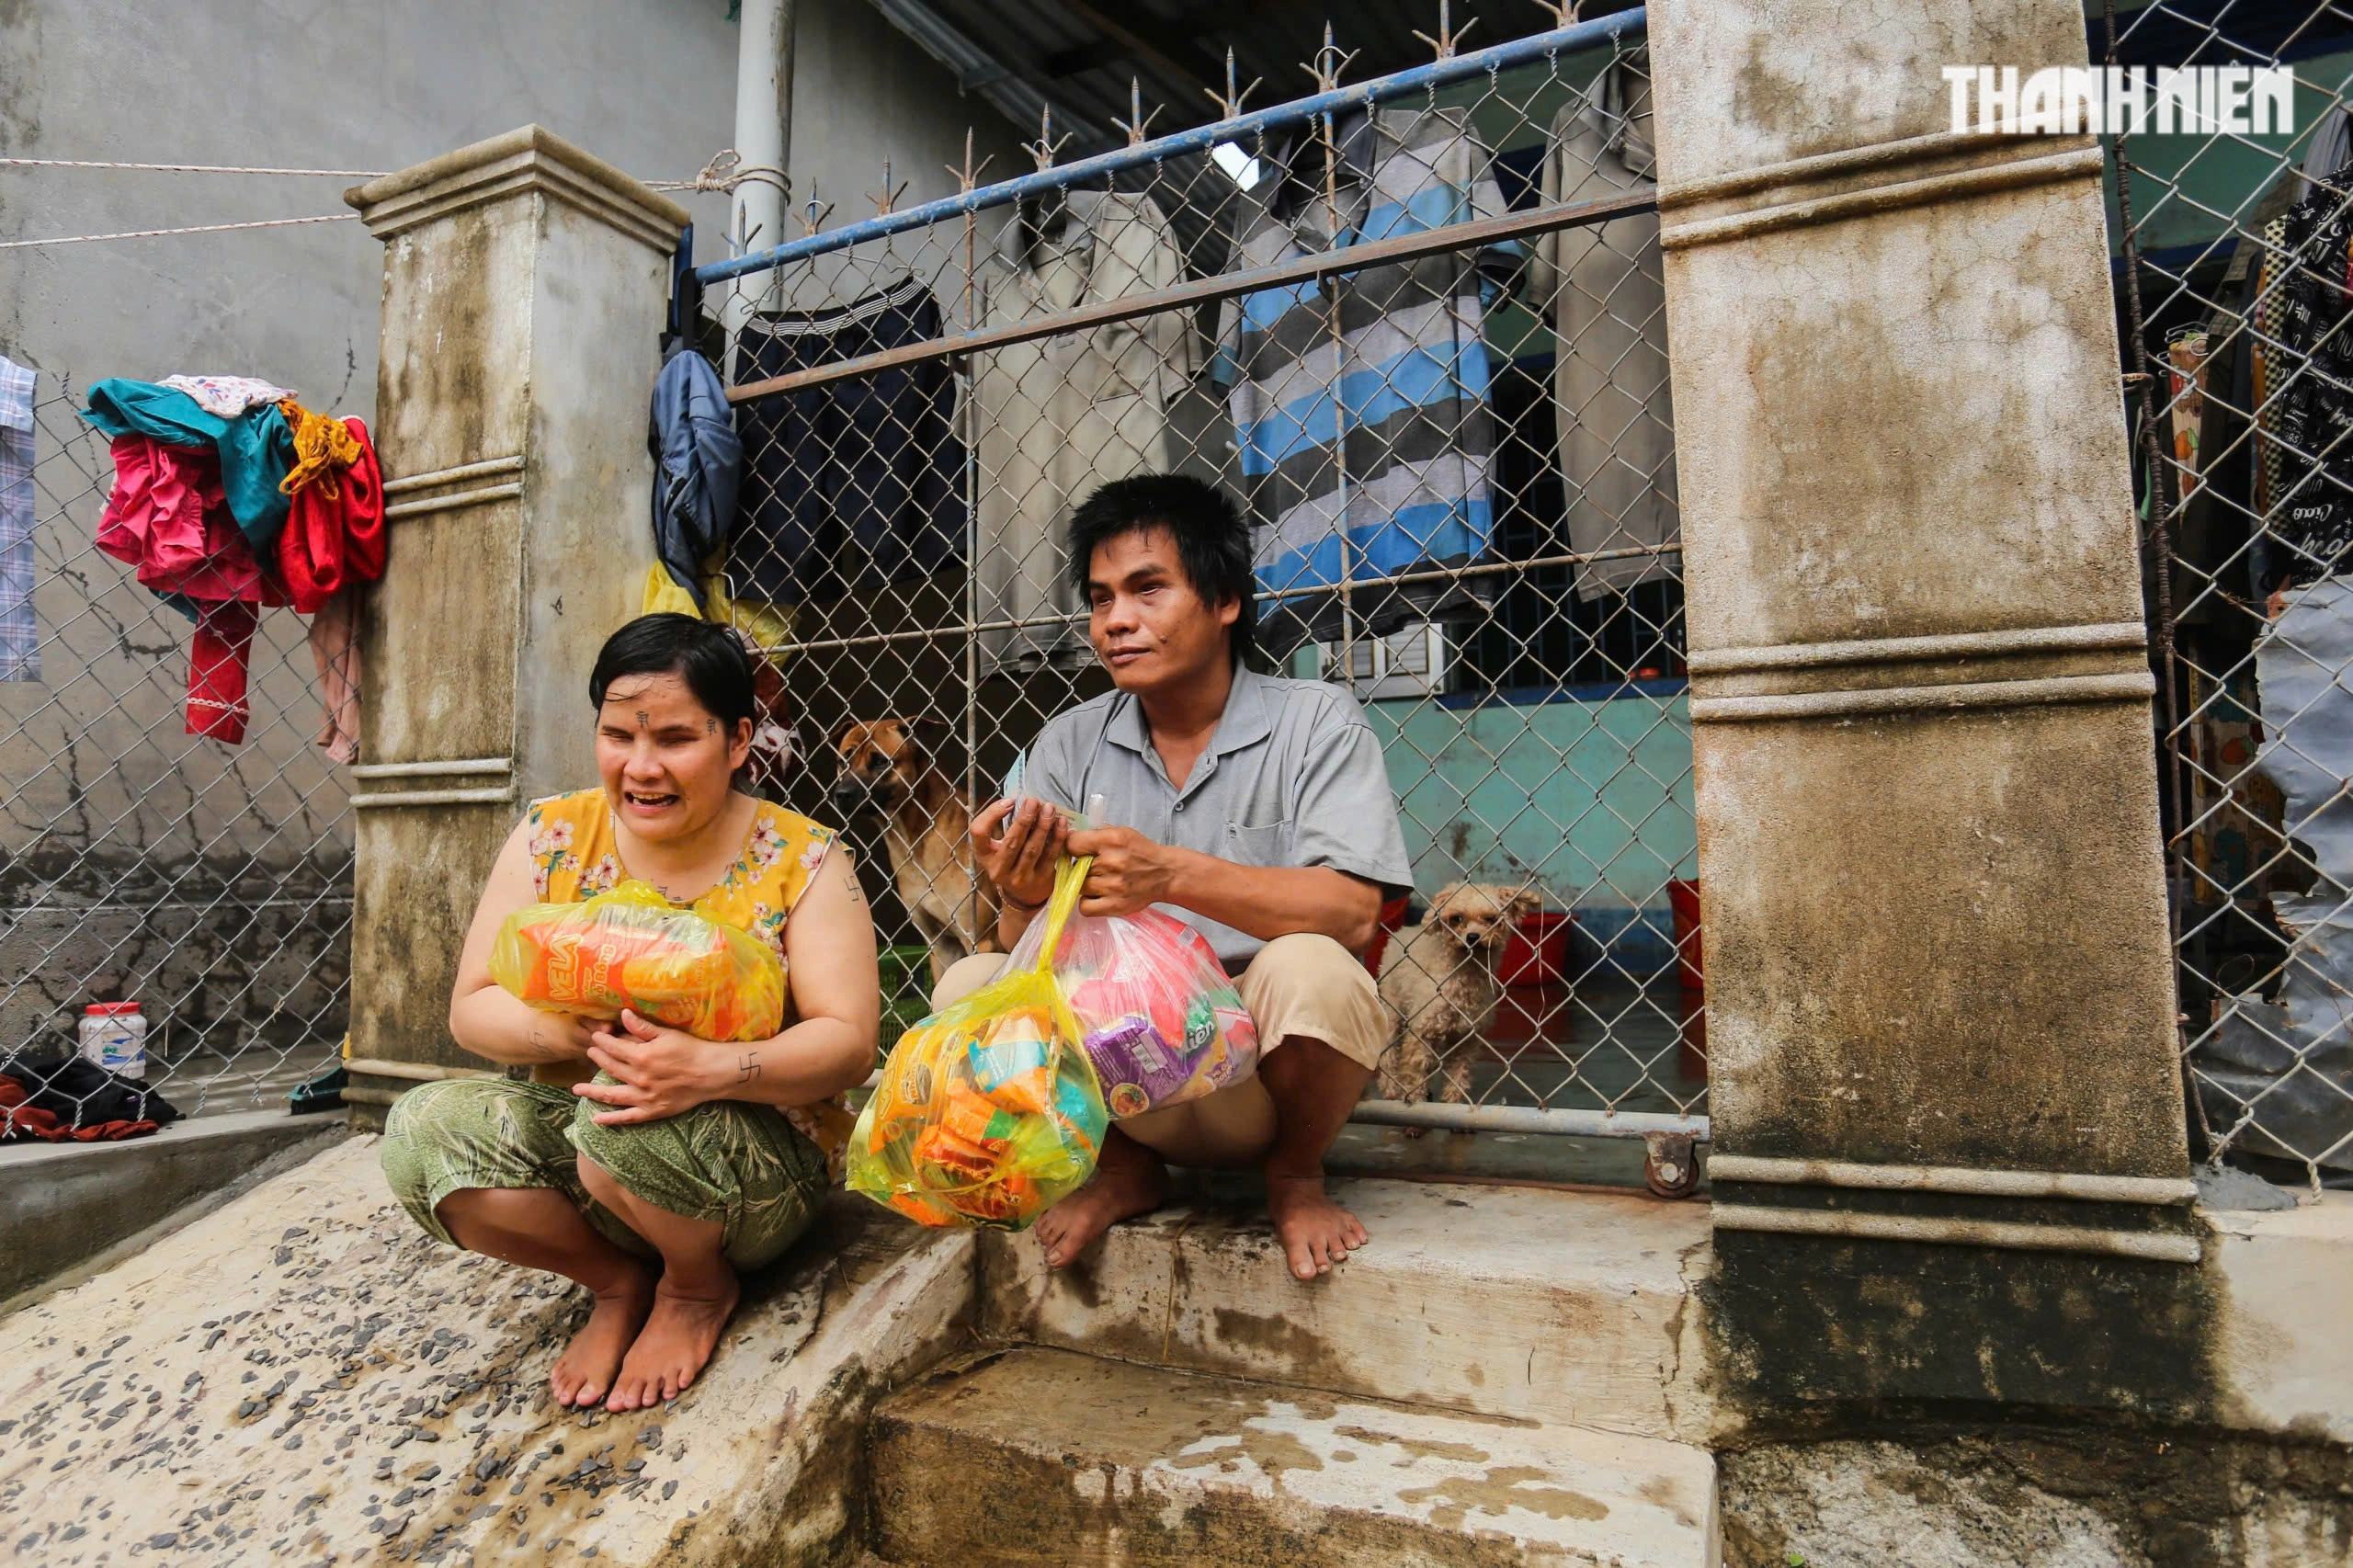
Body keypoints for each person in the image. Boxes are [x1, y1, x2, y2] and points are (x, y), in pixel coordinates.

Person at [380, 614, 880, 1413]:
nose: (641, 767)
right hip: (583, 1134)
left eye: (676, 738)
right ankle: (617, 1283)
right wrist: (582, 1034)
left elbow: (849, 1044)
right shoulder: (551, 835)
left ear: (740, 739)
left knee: (629, 1123)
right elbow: (473, 1010)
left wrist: (708, 1067)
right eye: (619, 735)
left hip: (743, 1161)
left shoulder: (806, 856)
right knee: (420, 1135)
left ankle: (693, 1287)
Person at [936, 474, 1415, 1282]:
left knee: (1314, 968)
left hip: (1263, 1068)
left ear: (1225, 600)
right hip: (1128, 1059)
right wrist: (1020, 894)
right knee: (973, 986)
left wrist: (1171, 875)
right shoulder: (1065, 743)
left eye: (1148, 590)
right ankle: (1122, 1167)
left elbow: (1356, 913)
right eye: (1100, 599)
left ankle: (1295, 1176)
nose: (1116, 620)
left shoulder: (1316, 720)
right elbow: (1026, 953)